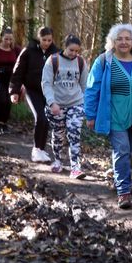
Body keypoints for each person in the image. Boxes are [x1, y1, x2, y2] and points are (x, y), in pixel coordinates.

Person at [85, 24, 132, 208]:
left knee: (127, 151)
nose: (124, 42)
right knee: (122, 150)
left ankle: (121, 180)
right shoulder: (104, 61)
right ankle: (124, 192)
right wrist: (90, 114)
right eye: (119, 38)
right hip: (112, 113)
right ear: (113, 41)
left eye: (127, 38)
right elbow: (92, 88)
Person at [41, 34, 88, 179]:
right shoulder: (53, 61)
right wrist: (52, 102)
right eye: (71, 50)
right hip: (57, 104)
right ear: (64, 47)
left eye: (76, 51)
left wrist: (87, 104)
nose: (74, 54)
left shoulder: (81, 62)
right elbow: (46, 83)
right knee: (59, 135)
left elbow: (85, 85)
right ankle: (58, 160)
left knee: (74, 133)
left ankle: (76, 167)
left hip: (76, 103)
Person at [9, 27, 59, 162]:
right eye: (44, 40)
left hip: (48, 91)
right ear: (39, 38)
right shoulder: (28, 51)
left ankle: (41, 149)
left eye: (49, 40)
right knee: (40, 117)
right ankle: (36, 149)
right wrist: (14, 91)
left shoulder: (56, 53)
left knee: (47, 119)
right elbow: (18, 72)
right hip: (32, 89)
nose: (47, 43)